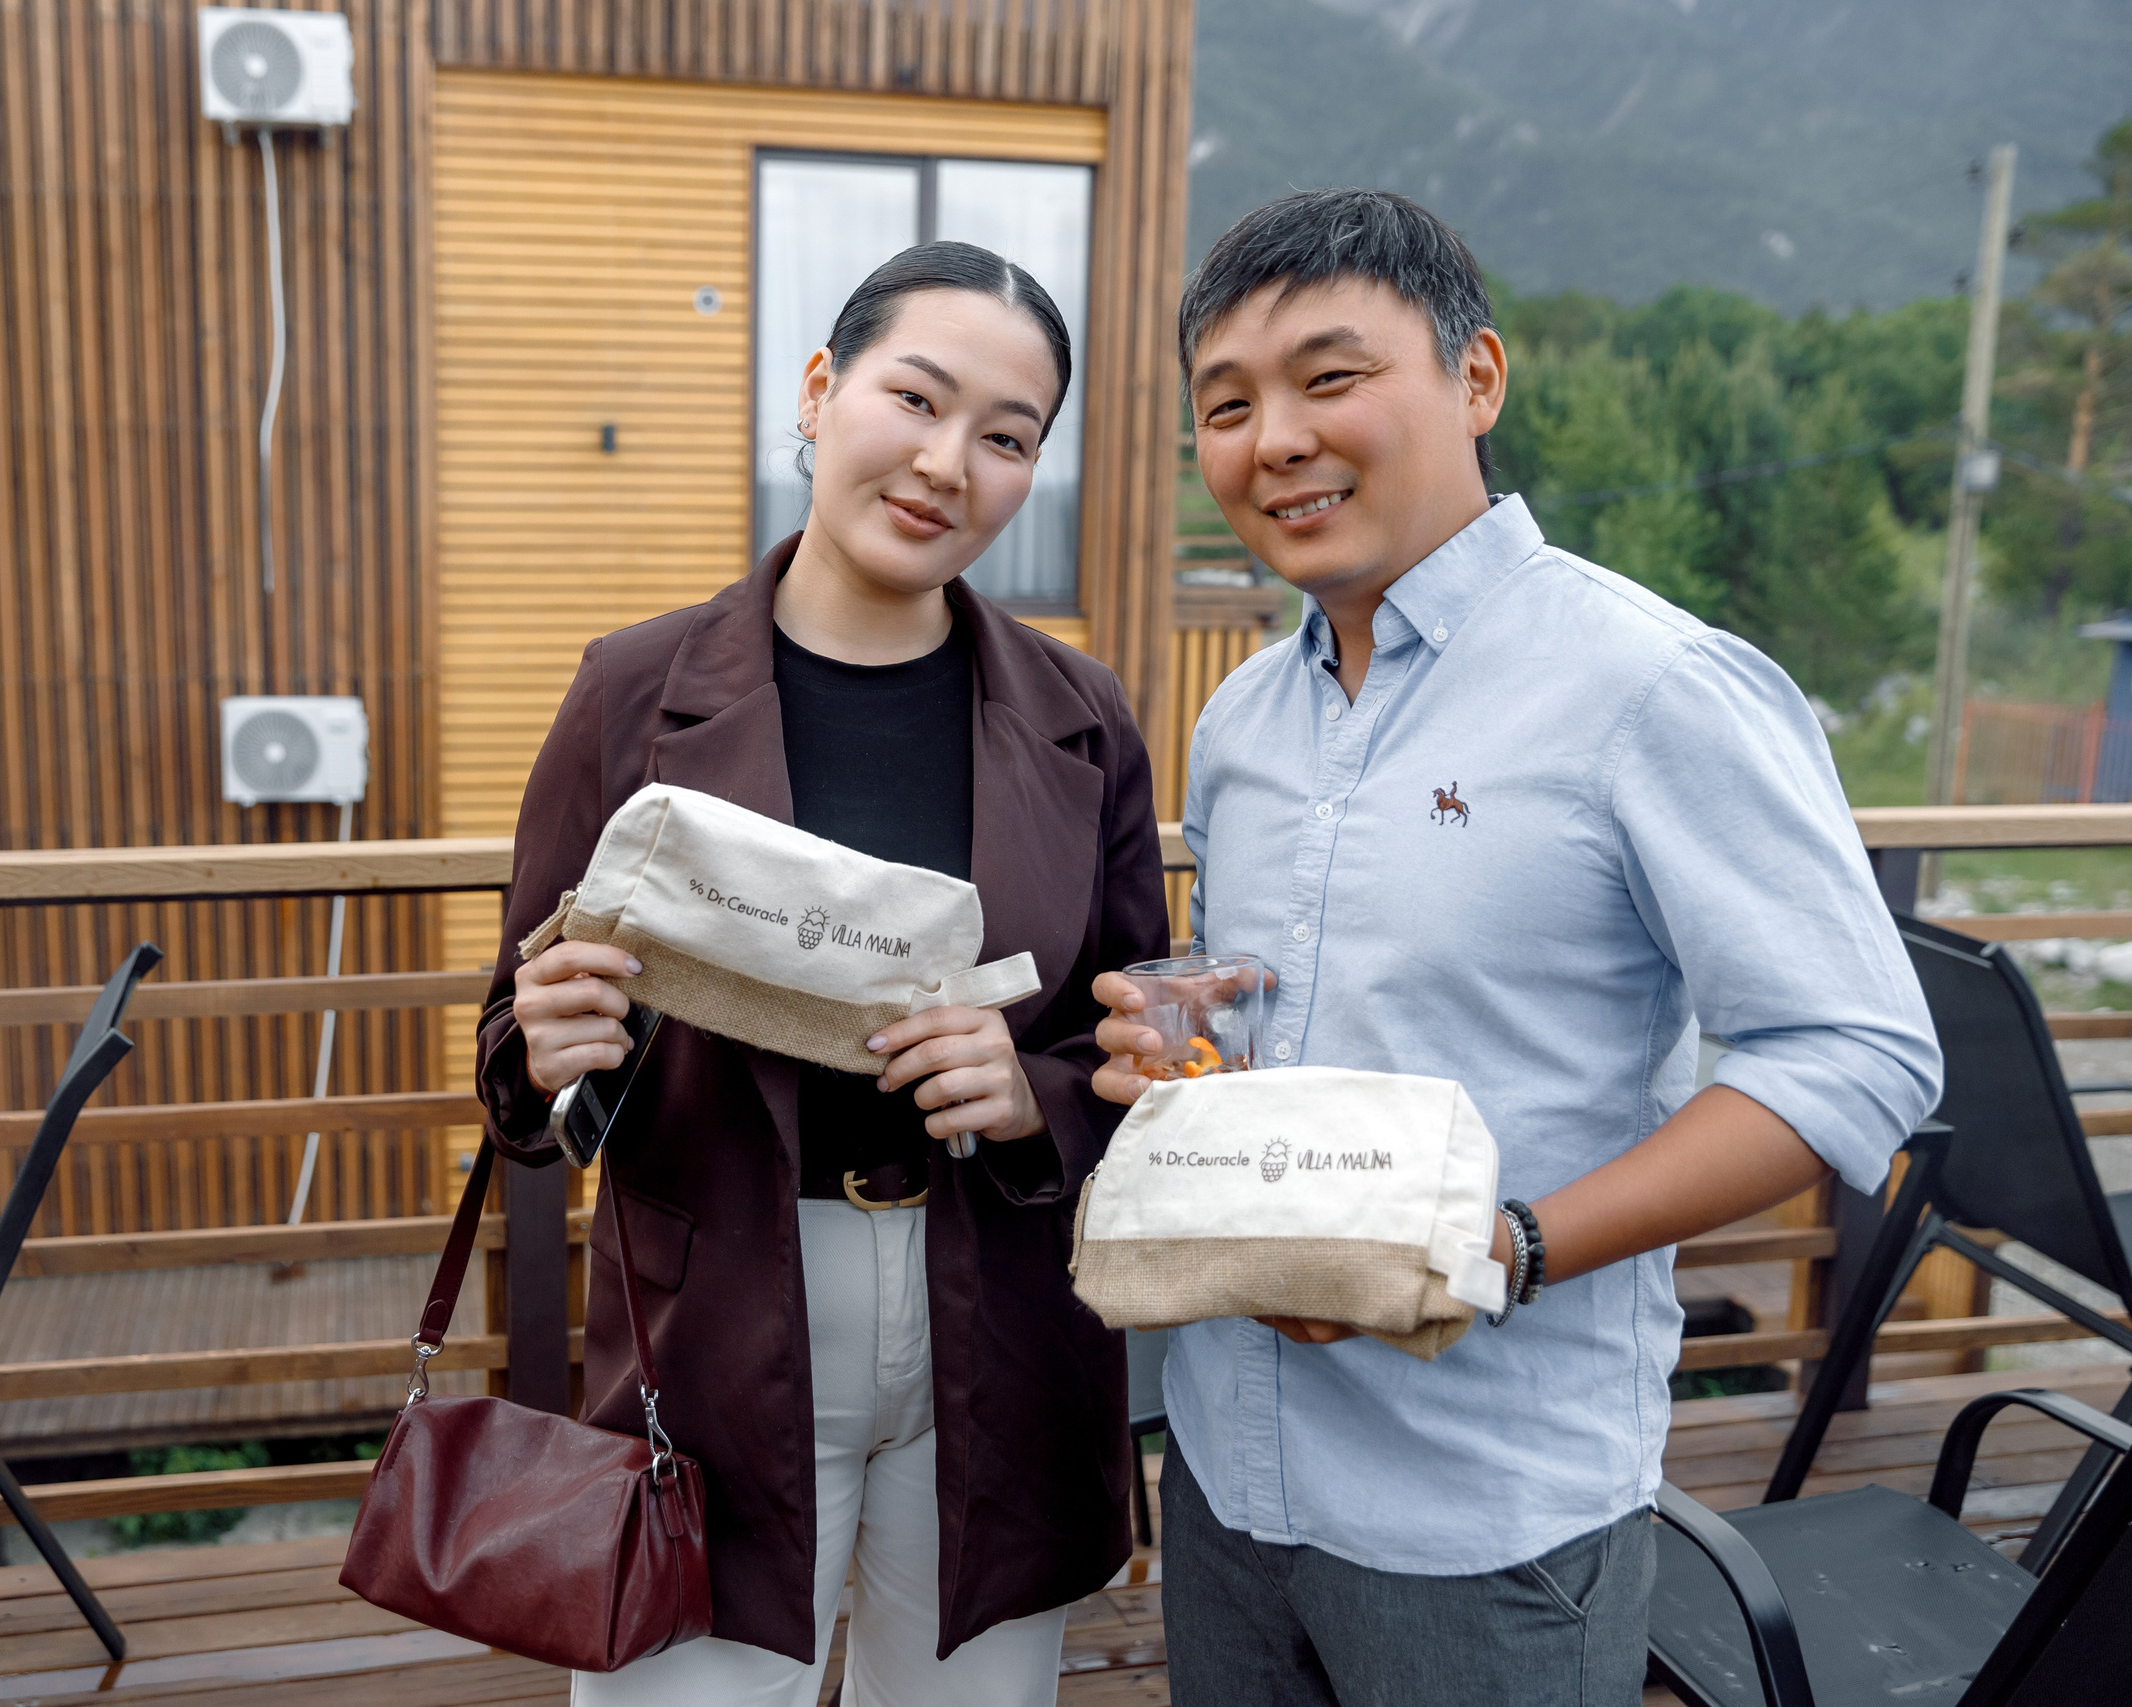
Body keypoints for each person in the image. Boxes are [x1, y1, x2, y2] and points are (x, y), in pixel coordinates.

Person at [1089, 190, 1943, 1704]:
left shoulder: (1652, 685)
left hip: (1484, 1516)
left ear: (1477, 379)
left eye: (1329, 377)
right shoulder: (1244, 723)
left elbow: (1860, 1056)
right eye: (1226, 405)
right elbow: (1279, 1020)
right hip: (1227, 1474)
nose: (1273, 437)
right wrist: (1184, 1056)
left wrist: (1511, 1245)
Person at [477, 240, 1168, 1707]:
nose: (944, 463)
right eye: (914, 398)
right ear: (819, 390)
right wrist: (545, 1045)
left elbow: (1146, 1053)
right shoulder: (633, 691)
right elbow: (510, 1045)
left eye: (1005, 437)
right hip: (717, 1311)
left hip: (1002, 1315)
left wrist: (1035, 1088)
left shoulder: (1083, 720)